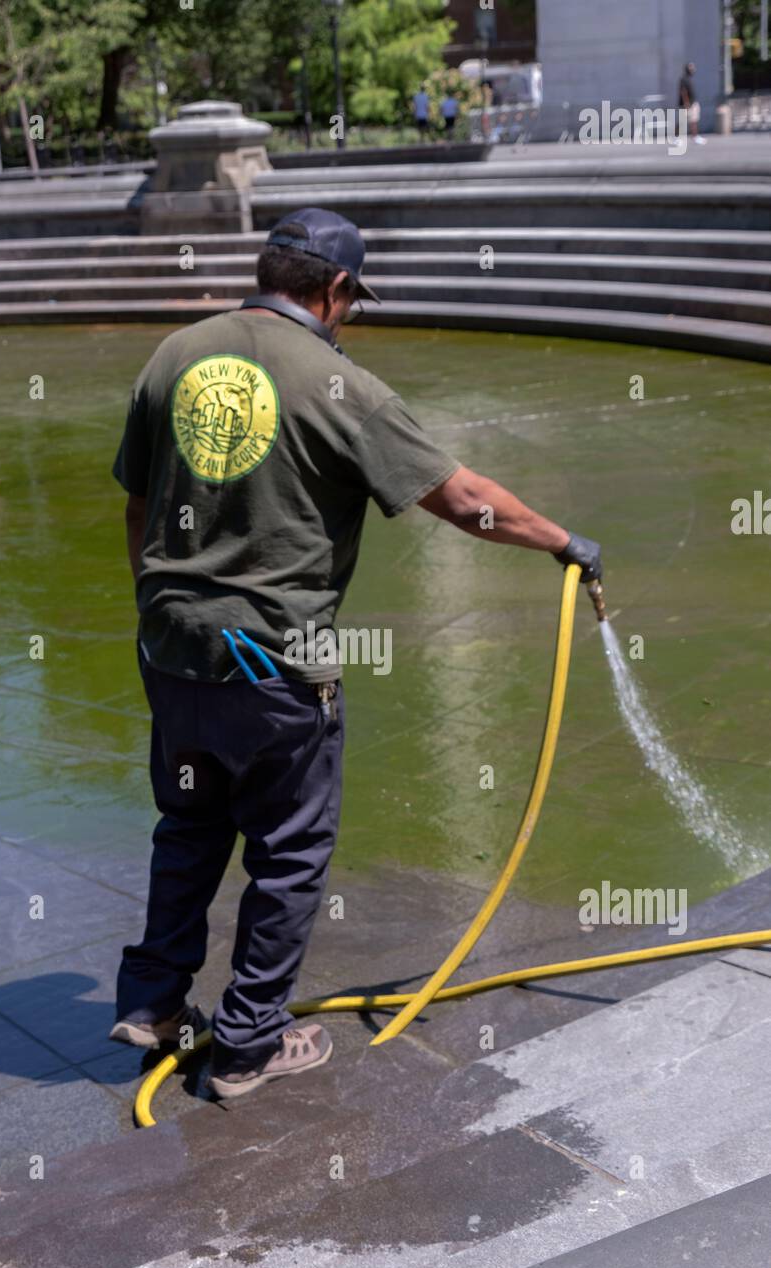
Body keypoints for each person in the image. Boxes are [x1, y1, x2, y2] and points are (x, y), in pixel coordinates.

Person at [108, 206, 603, 1100]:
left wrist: (159, 603)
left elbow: (139, 505)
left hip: (171, 647)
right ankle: (251, 1042)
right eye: (353, 304)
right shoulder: (344, 388)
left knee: (189, 824)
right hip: (273, 659)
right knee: (290, 851)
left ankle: (153, 1001)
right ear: (335, 290)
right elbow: (463, 499)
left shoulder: (174, 356)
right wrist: (564, 541)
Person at [679, 62, 706, 145]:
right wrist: (686, 103)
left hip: (692, 103)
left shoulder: (689, 79)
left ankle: (695, 136)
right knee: (683, 122)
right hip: (688, 104)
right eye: (691, 68)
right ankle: (678, 137)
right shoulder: (684, 79)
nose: (693, 70)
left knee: (693, 121)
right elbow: (683, 92)